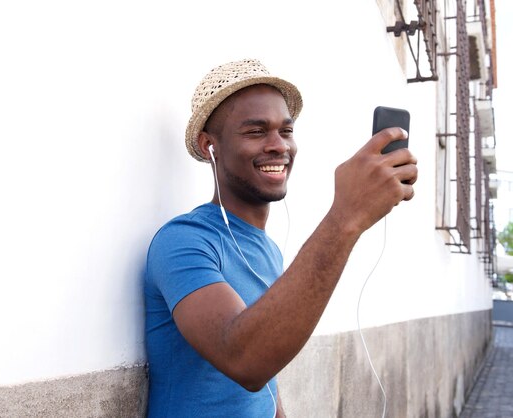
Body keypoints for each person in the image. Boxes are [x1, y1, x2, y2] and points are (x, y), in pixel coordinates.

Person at [144, 58, 418, 417]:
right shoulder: (183, 241)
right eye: (256, 131)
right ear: (210, 145)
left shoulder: (268, 249)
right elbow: (245, 360)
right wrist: (345, 217)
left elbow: (267, 378)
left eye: (286, 131)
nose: (278, 145)